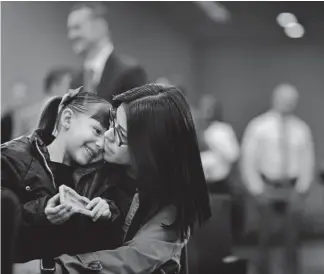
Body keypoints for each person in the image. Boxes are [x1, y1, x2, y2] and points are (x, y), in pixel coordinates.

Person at [15, 83, 211, 274]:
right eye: (113, 123)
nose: (107, 136)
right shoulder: (100, 166)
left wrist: (47, 268)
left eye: (120, 133)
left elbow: (130, 260)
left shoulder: (170, 206)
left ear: (149, 150)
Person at [1, 89, 121, 263]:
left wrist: (108, 212)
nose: (101, 144)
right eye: (97, 130)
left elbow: (108, 240)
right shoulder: (11, 158)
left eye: (107, 137)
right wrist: (41, 213)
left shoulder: (100, 176)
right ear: (67, 119)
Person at [241, 83, 315, 274]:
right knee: (264, 240)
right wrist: (257, 189)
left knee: (292, 241)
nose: (287, 104)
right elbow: (248, 160)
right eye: (284, 99)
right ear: (275, 99)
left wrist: (301, 190)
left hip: (292, 189)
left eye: (291, 100)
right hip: (267, 187)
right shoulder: (259, 126)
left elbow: (308, 161)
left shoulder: (301, 129)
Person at [67, 2, 147, 103]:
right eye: (69, 30)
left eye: (77, 28)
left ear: (101, 26)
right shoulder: (75, 81)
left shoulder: (130, 73)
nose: (71, 35)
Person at [13, 67, 74, 137]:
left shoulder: (70, 114)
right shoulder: (27, 115)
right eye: (68, 85)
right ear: (55, 86)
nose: (71, 90)